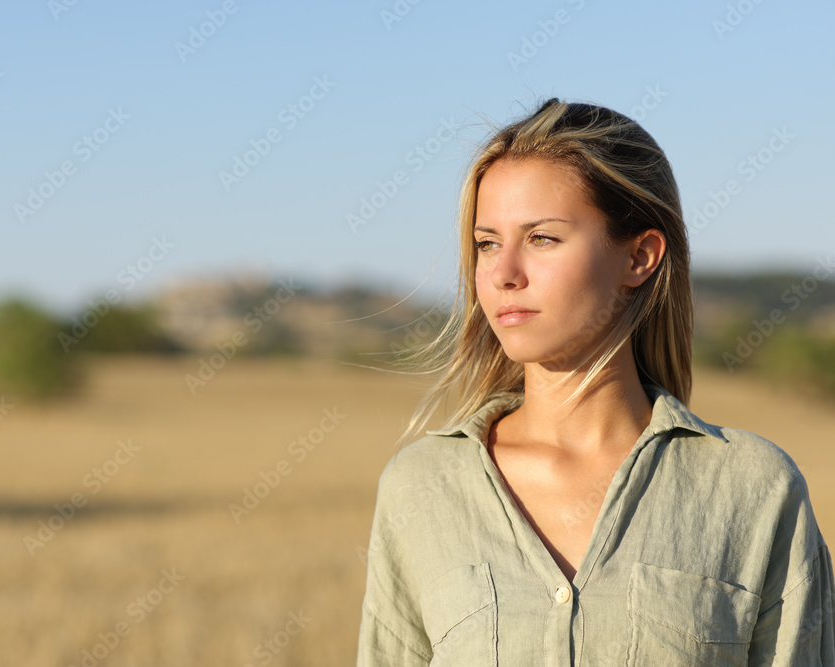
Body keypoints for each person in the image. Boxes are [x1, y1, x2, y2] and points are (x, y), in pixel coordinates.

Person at [355, 97, 835, 666]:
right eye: (487, 243)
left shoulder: (754, 490)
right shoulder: (421, 487)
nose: (504, 274)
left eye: (542, 238)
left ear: (639, 257)